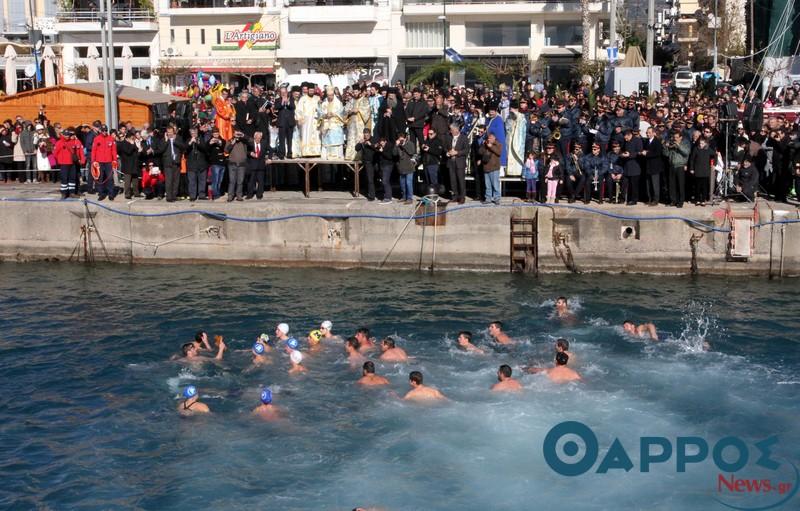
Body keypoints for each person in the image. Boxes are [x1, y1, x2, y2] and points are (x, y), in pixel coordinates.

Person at [53, 128, 85, 199]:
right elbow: (55, 154)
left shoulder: (72, 142)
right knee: (64, 179)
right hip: (64, 164)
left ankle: (72, 193)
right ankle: (64, 193)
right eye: (66, 135)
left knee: (72, 179)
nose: (67, 136)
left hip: (72, 163)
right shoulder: (59, 143)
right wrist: (60, 160)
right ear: (63, 135)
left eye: (68, 135)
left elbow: (76, 151)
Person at [90, 125, 117, 201]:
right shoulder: (96, 139)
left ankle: (111, 194)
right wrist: (93, 161)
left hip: (109, 162)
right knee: (100, 178)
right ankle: (101, 194)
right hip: (99, 162)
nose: (104, 132)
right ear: (101, 131)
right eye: (103, 130)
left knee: (110, 178)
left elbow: (114, 151)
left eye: (105, 130)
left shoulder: (111, 139)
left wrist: (114, 160)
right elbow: (93, 151)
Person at [664, 130, 691, 208]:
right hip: (672, 165)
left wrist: (678, 145)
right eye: (674, 137)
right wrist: (666, 147)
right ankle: (673, 201)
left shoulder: (685, 143)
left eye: (677, 137)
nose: (675, 139)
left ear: (681, 137)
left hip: (680, 166)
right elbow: (666, 154)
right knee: (672, 185)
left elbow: (686, 152)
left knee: (680, 185)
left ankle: (680, 201)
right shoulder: (672, 143)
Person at [318, 86, 346, 160]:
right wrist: (325, 115)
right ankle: (326, 156)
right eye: (328, 95)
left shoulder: (338, 103)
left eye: (331, 95)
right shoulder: (324, 103)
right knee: (327, 141)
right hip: (326, 124)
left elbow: (342, 112)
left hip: (335, 124)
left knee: (336, 141)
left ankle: (337, 156)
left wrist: (334, 114)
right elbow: (320, 112)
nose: (330, 97)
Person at [159, 126, 185, 203]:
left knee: (176, 180)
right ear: (166, 132)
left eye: (171, 132)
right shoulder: (163, 139)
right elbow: (161, 150)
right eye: (168, 132)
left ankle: (174, 196)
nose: (170, 133)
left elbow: (183, 147)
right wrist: (166, 141)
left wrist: (174, 141)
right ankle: (169, 197)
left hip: (176, 162)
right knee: (169, 180)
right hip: (167, 163)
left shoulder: (178, 138)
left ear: (174, 132)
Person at [447, 123, 469, 203]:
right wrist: (447, 152)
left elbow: (466, 150)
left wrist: (457, 152)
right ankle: (455, 196)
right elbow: (445, 147)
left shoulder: (464, 138)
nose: (450, 131)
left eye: (451, 130)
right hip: (451, 162)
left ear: (456, 130)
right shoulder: (449, 137)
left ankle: (462, 197)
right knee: (453, 180)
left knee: (460, 180)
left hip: (460, 162)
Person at [479, 132, 503, 205]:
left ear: (494, 138)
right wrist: (484, 145)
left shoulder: (498, 144)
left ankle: (497, 198)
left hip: (494, 167)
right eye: (489, 138)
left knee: (495, 184)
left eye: (491, 138)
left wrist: (491, 146)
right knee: (487, 185)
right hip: (486, 167)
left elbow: (499, 153)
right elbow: (480, 152)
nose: (490, 139)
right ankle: (488, 198)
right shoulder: (485, 144)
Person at [246, 130, 271, 200]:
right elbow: (246, 151)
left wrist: (269, 158)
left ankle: (259, 194)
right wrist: (250, 153)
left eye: (259, 138)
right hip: (252, 165)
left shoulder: (264, 143)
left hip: (261, 165)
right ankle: (250, 194)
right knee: (251, 181)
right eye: (257, 138)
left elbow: (271, 150)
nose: (258, 139)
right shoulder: (250, 143)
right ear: (254, 137)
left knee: (261, 181)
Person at [184, 127, 208, 201]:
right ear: (190, 134)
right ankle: (192, 196)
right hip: (191, 164)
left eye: (195, 133)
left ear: (197, 133)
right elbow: (185, 149)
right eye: (192, 133)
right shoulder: (188, 140)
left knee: (202, 180)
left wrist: (197, 143)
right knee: (192, 181)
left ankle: (201, 195)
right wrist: (190, 143)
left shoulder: (201, 139)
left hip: (201, 164)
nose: (194, 134)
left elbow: (205, 148)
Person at [225, 131, 248, 202]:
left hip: (241, 165)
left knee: (240, 181)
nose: (237, 135)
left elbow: (251, 141)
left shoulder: (243, 141)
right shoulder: (230, 141)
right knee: (232, 181)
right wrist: (232, 143)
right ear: (233, 134)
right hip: (232, 164)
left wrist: (243, 135)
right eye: (236, 134)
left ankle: (239, 196)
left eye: (238, 134)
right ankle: (230, 196)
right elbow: (226, 150)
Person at [642, 127, 663, 206]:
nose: (648, 134)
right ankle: (649, 199)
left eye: (649, 132)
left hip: (655, 166)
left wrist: (647, 153)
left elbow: (657, 153)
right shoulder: (647, 141)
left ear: (654, 133)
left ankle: (655, 200)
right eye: (647, 132)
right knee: (648, 184)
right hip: (648, 166)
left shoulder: (657, 142)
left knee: (655, 184)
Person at [355, 129, 378, 200]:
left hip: (375, 161)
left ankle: (374, 192)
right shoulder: (363, 141)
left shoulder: (374, 139)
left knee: (374, 178)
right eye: (365, 135)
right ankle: (372, 196)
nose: (366, 136)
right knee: (369, 179)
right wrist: (359, 143)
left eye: (367, 135)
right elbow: (357, 148)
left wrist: (370, 144)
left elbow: (377, 148)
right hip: (367, 162)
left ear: (370, 134)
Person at [395, 132, 417, 204]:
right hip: (401, 167)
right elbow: (394, 154)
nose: (401, 140)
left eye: (402, 138)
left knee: (408, 183)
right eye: (399, 138)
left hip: (409, 167)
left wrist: (403, 145)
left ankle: (409, 198)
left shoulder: (410, 143)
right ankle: (404, 197)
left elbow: (411, 152)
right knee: (402, 184)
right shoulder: (398, 145)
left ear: (405, 138)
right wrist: (396, 145)